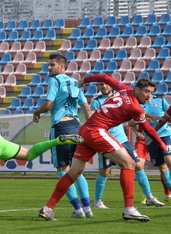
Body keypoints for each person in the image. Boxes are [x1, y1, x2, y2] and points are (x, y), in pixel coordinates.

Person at [39, 75, 166, 222]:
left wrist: (84, 81)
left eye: (151, 92)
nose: (149, 95)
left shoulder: (124, 89)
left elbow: (105, 77)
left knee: (73, 173)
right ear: (137, 89)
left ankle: (48, 208)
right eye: (146, 91)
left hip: (85, 130)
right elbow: (148, 130)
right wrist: (162, 145)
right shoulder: (135, 108)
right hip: (97, 131)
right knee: (129, 163)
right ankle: (129, 209)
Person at [33, 53, 93, 218]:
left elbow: (48, 105)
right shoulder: (76, 82)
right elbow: (87, 108)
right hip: (76, 126)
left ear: (62, 67)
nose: (49, 68)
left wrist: (36, 112)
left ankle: (78, 210)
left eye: (52, 65)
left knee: (62, 169)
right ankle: (87, 209)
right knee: (77, 170)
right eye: (49, 65)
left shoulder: (54, 80)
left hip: (61, 127)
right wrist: (90, 129)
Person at [90, 82, 164, 208]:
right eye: (101, 85)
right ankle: (97, 201)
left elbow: (132, 115)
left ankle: (149, 197)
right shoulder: (96, 101)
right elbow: (93, 118)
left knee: (137, 165)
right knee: (105, 171)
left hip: (122, 139)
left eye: (106, 84)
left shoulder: (120, 96)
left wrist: (143, 122)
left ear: (110, 86)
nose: (104, 86)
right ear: (98, 87)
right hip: (106, 138)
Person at [134, 96, 171, 202]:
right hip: (150, 139)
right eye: (145, 91)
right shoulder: (137, 105)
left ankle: (167, 194)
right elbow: (131, 122)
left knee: (169, 160)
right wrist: (138, 130)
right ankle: (151, 195)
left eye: (149, 91)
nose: (147, 94)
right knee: (162, 167)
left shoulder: (160, 101)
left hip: (165, 135)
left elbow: (167, 117)